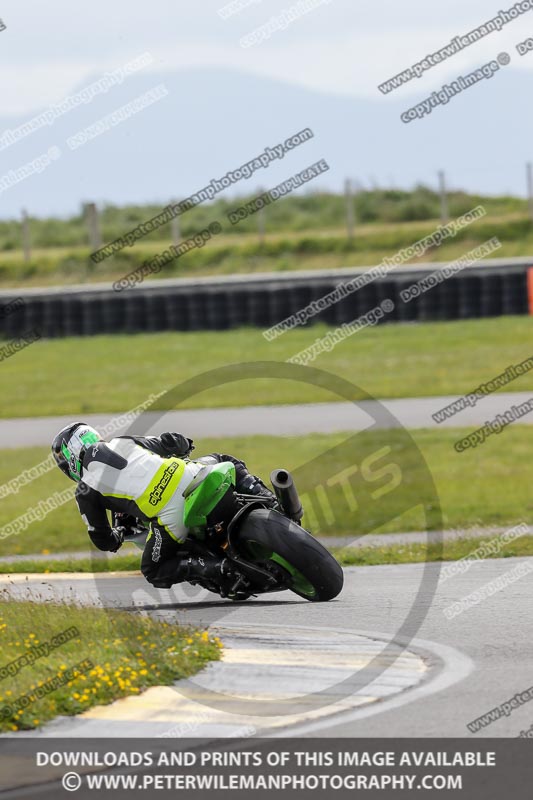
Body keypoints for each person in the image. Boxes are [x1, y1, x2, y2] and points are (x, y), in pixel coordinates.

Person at [51, 422, 276, 591]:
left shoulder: (85, 490)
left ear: (71, 458)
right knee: (222, 459)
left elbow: (102, 539)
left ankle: (219, 569)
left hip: (171, 514)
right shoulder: (124, 441)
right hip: (191, 475)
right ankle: (268, 498)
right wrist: (185, 444)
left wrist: (118, 534)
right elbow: (171, 442)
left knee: (153, 570)